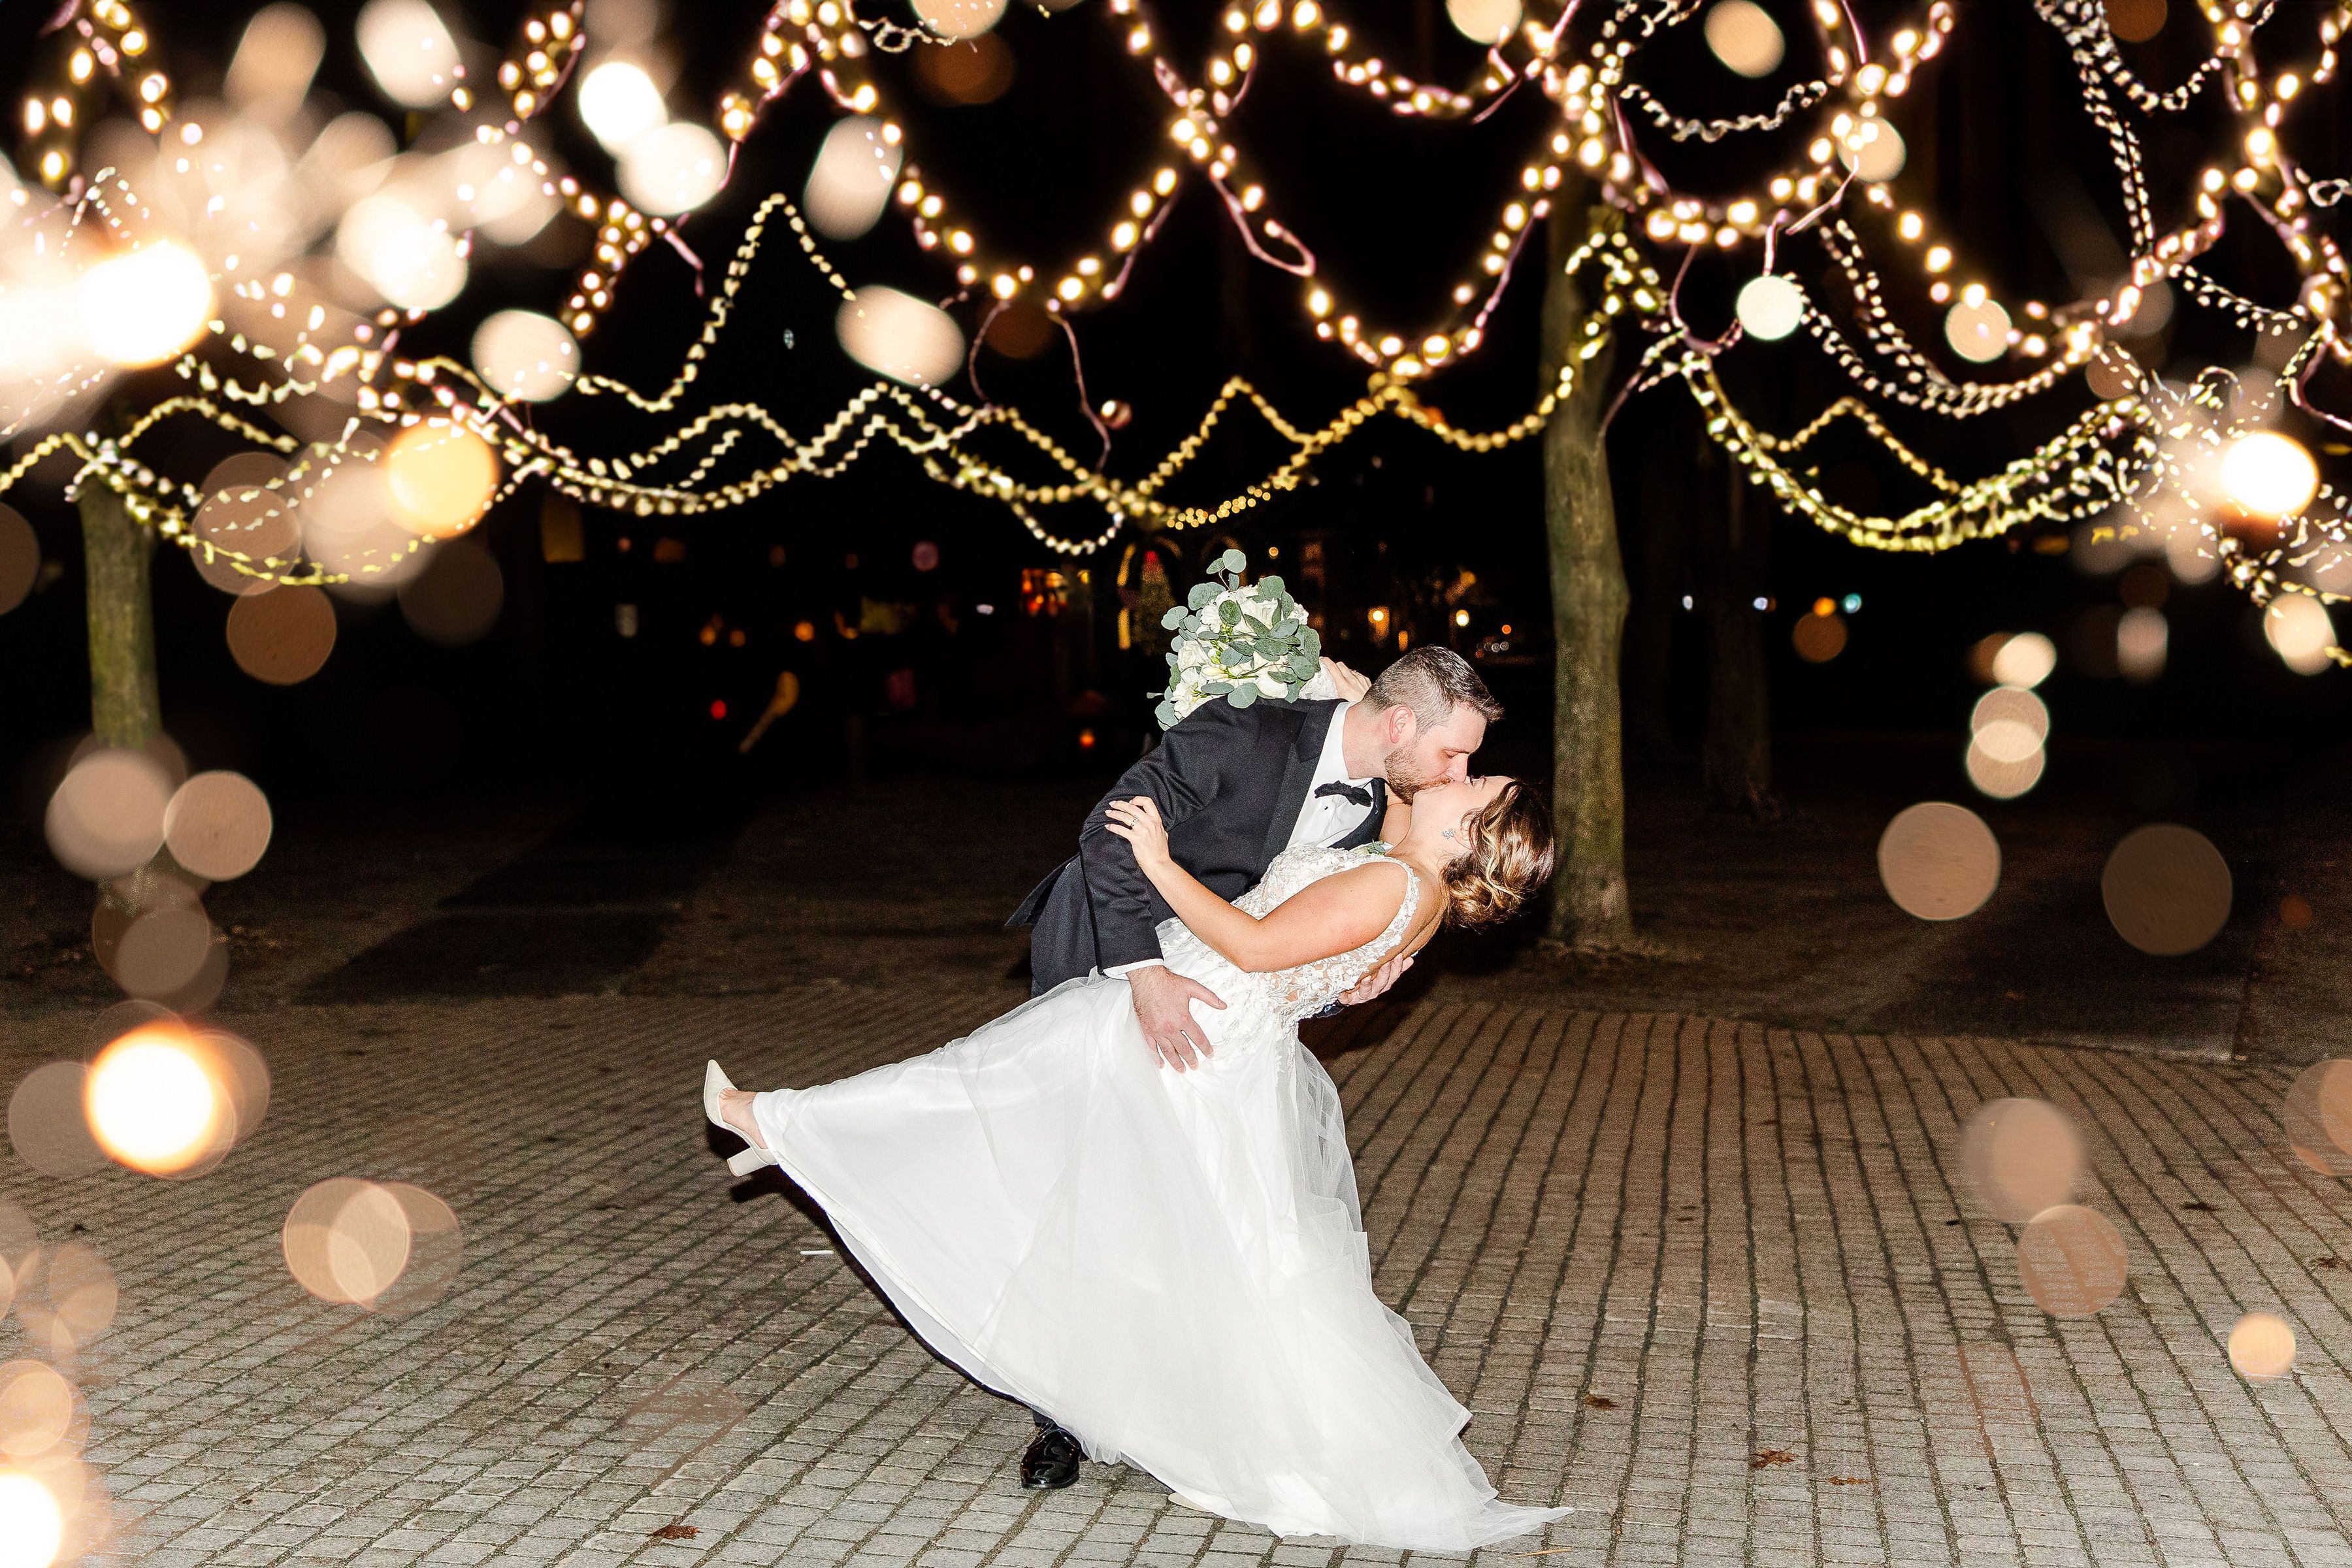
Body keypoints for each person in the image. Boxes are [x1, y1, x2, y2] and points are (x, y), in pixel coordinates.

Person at [702, 755, 1569, 1550]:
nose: (1460, 773)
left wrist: (1157, 861)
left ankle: (774, 1123)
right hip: (1211, 1040)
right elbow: (1372, 838)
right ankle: (1254, 1449)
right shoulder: (1406, 873)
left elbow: (1260, 945)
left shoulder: (1395, 883)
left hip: (1191, 1030)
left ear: (1470, 832)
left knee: (985, 1086)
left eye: (1476, 781)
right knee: (1207, 1246)